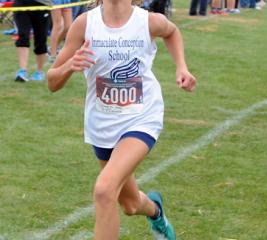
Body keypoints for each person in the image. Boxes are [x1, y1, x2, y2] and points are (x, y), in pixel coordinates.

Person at [47, 0, 196, 239]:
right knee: (130, 205)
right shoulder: (84, 24)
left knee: (105, 190)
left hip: (142, 118)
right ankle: (156, 211)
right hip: (102, 125)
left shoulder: (149, 21)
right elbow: (52, 81)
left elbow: (172, 31)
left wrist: (182, 67)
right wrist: (69, 66)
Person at [13, 0, 52, 82]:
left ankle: (39, 72)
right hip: (22, 4)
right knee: (23, 36)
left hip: (43, 4)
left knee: (41, 39)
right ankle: (22, 71)